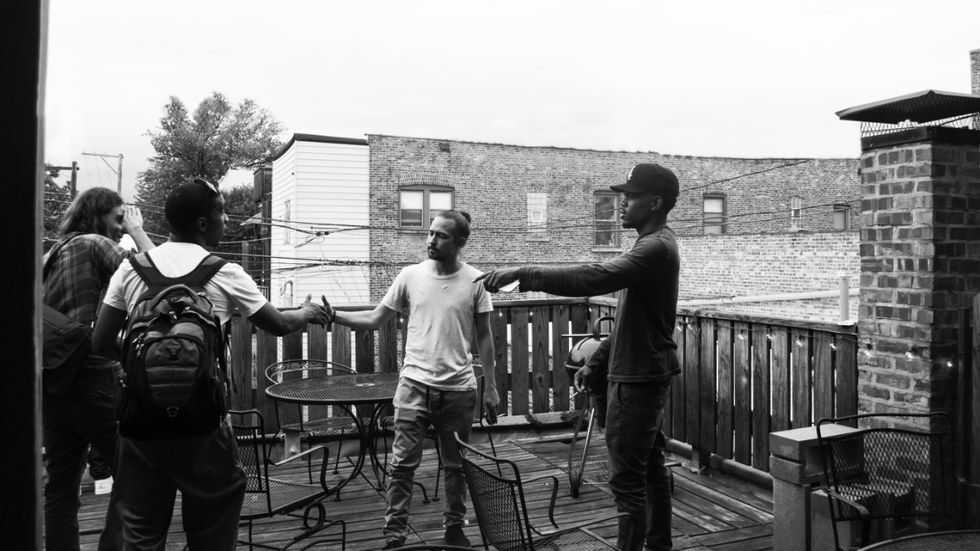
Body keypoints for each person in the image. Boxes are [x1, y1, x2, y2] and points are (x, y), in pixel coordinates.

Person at [92, 178, 331, 550]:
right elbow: (280, 325)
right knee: (213, 529)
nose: (226, 219)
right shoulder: (224, 272)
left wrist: (145, 371)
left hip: (140, 426)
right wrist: (307, 311)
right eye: (221, 212)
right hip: (202, 425)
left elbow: (101, 343)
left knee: (140, 532)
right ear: (203, 223)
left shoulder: (131, 269)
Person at [478, 163, 681, 551]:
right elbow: (632, 323)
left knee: (627, 480)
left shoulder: (656, 247)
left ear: (655, 203)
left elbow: (594, 277)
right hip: (641, 373)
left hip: (639, 380)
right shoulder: (653, 244)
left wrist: (525, 273)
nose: (622, 203)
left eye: (631, 196)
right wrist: (596, 361)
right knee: (650, 468)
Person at [324, 209, 498, 549]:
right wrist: (334, 316)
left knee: (456, 466)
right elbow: (375, 318)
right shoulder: (410, 276)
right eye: (430, 232)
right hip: (414, 386)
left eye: (441, 235)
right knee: (402, 464)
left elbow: (485, 337)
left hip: (458, 390)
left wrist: (491, 386)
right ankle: (395, 533)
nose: (431, 240)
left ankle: (454, 528)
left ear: (460, 242)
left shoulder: (476, 281)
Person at [42, 187, 154, 551]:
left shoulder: (52, 253)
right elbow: (159, 276)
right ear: (97, 215)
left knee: (60, 488)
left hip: (54, 378)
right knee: (135, 470)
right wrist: (138, 231)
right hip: (93, 374)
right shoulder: (95, 243)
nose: (122, 226)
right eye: (119, 218)